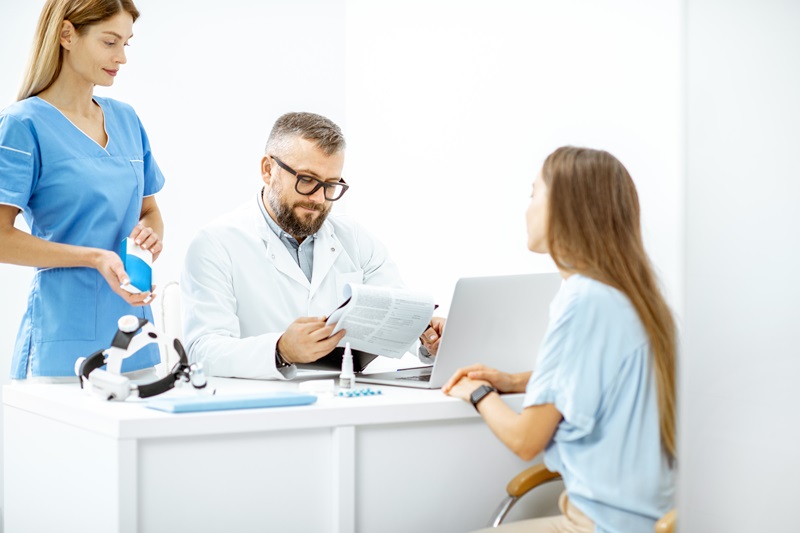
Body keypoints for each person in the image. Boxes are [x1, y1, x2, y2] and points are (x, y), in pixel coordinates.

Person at [443, 146, 676, 533]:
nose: (527, 208)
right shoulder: (631, 297)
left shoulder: (584, 300)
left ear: (567, 207)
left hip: (599, 525)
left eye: (534, 193)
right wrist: (516, 381)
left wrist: (476, 392)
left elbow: (525, 440)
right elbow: (600, 380)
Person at [182, 111, 441, 379]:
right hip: (260, 406)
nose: (318, 198)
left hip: (346, 397)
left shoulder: (354, 238)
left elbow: (394, 316)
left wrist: (426, 338)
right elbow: (203, 350)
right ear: (268, 170)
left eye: (330, 184)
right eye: (306, 180)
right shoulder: (215, 244)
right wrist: (280, 350)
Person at [0, 0, 164, 380]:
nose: (121, 57)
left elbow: (149, 211)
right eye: (110, 42)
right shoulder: (22, 126)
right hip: (64, 343)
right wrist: (94, 257)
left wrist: (152, 234)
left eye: (127, 43)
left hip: (136, 338)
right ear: (66, 34)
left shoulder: (126, 119)